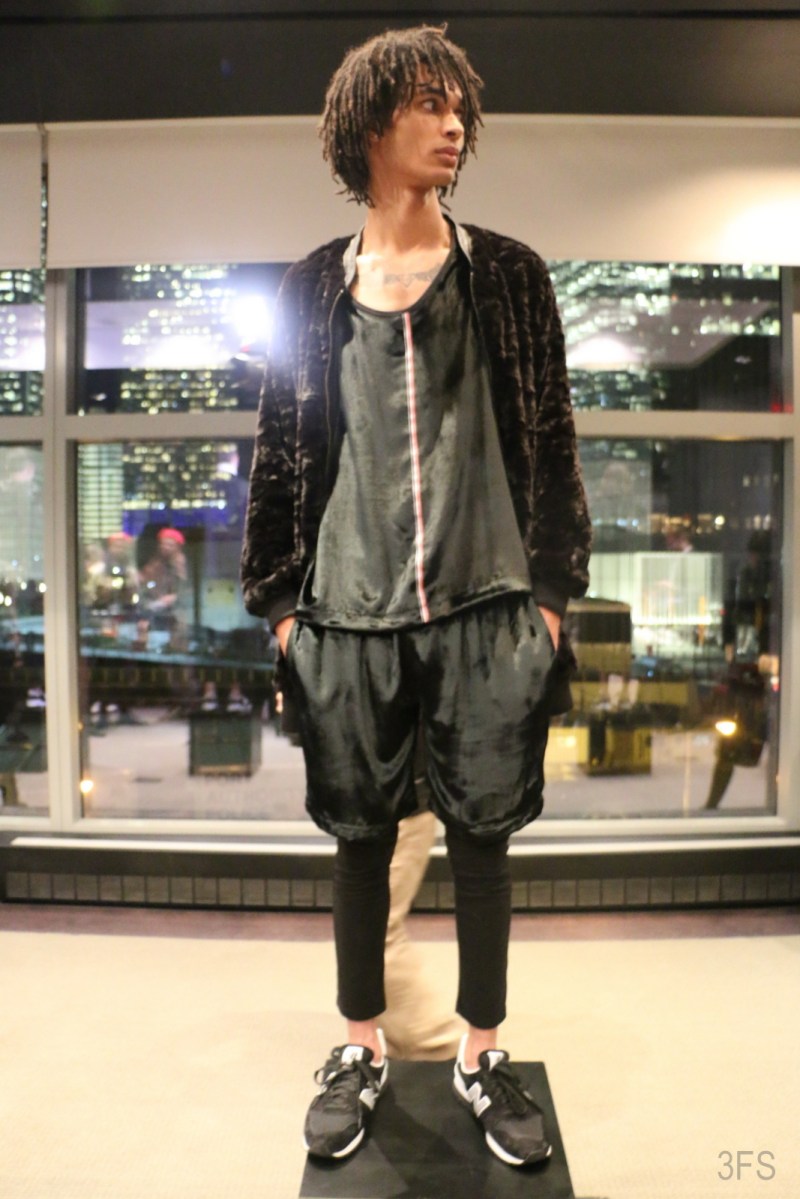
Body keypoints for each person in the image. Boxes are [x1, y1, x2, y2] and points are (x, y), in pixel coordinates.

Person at [241, 24, 591, 1168]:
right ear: (367, 125)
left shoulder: (508, 274)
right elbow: (279, 452)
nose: (451, 126)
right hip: (346, 616)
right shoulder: (311, 286)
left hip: (489, 606)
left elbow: (551, 440)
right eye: (427, 106)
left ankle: (482, 1052)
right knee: (358, 839)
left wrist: (550, 595)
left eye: (457, 109)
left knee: (483, 838)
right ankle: (360, 1047)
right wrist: (283, 612)